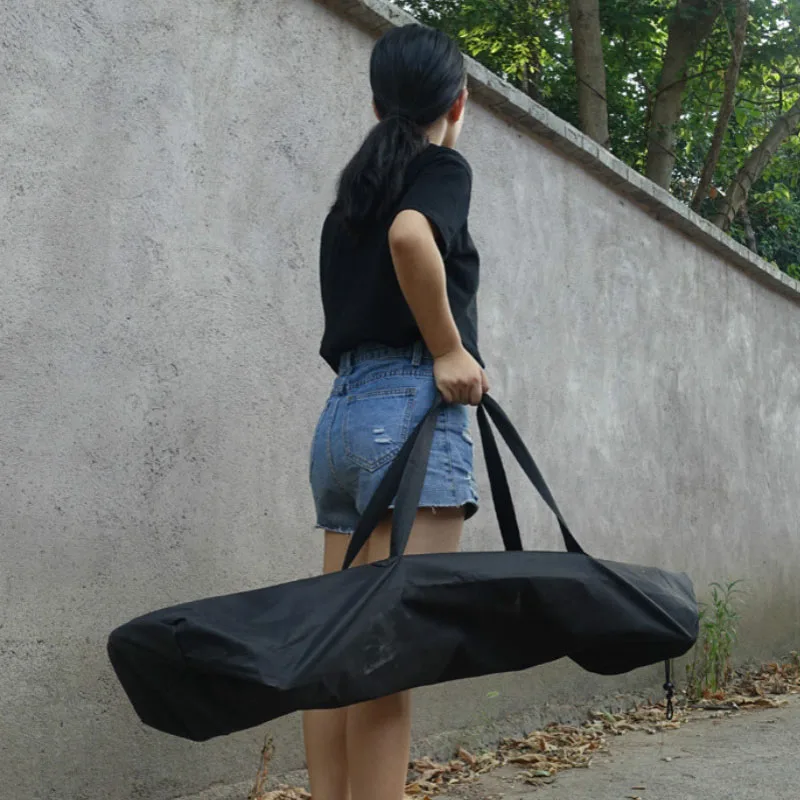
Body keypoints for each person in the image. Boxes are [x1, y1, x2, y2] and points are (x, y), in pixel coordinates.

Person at [305, 23, 488, 800]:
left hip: (343, 421)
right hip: (406, 417)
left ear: (377, 104)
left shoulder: (350, 199)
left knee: (336, 648)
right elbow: (413, 239)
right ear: (458, 102)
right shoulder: (440, 168)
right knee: (387, 659)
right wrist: (449, 349)